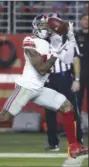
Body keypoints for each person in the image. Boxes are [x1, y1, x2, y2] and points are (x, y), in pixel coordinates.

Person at [0, 14, 88, 158]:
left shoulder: (49, 44)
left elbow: (67, 59)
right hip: (27, 87)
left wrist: (71, 38)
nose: (45, 28)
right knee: (4, 117)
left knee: (67, 107)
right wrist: (55, 54)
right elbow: (41, 68)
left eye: (46, 26)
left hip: (39, 89)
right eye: (42, 25)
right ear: (35, 27)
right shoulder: (29, 40)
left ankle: (73, 146)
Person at [44, 13, 83, 152]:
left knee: (71, 111)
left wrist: (77, 79)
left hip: (64, 77)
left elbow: (76, 59)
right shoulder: (44, 39)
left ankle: (77, 141)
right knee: (49, 113)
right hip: (49, 78)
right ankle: (53, 143)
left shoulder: (68, 38)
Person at [75, 13, 89, 116]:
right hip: (79, 75)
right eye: (84, 19)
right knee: (77, 101)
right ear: (80, 21)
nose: (86, 21)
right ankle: (76, 129)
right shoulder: (76, 35)